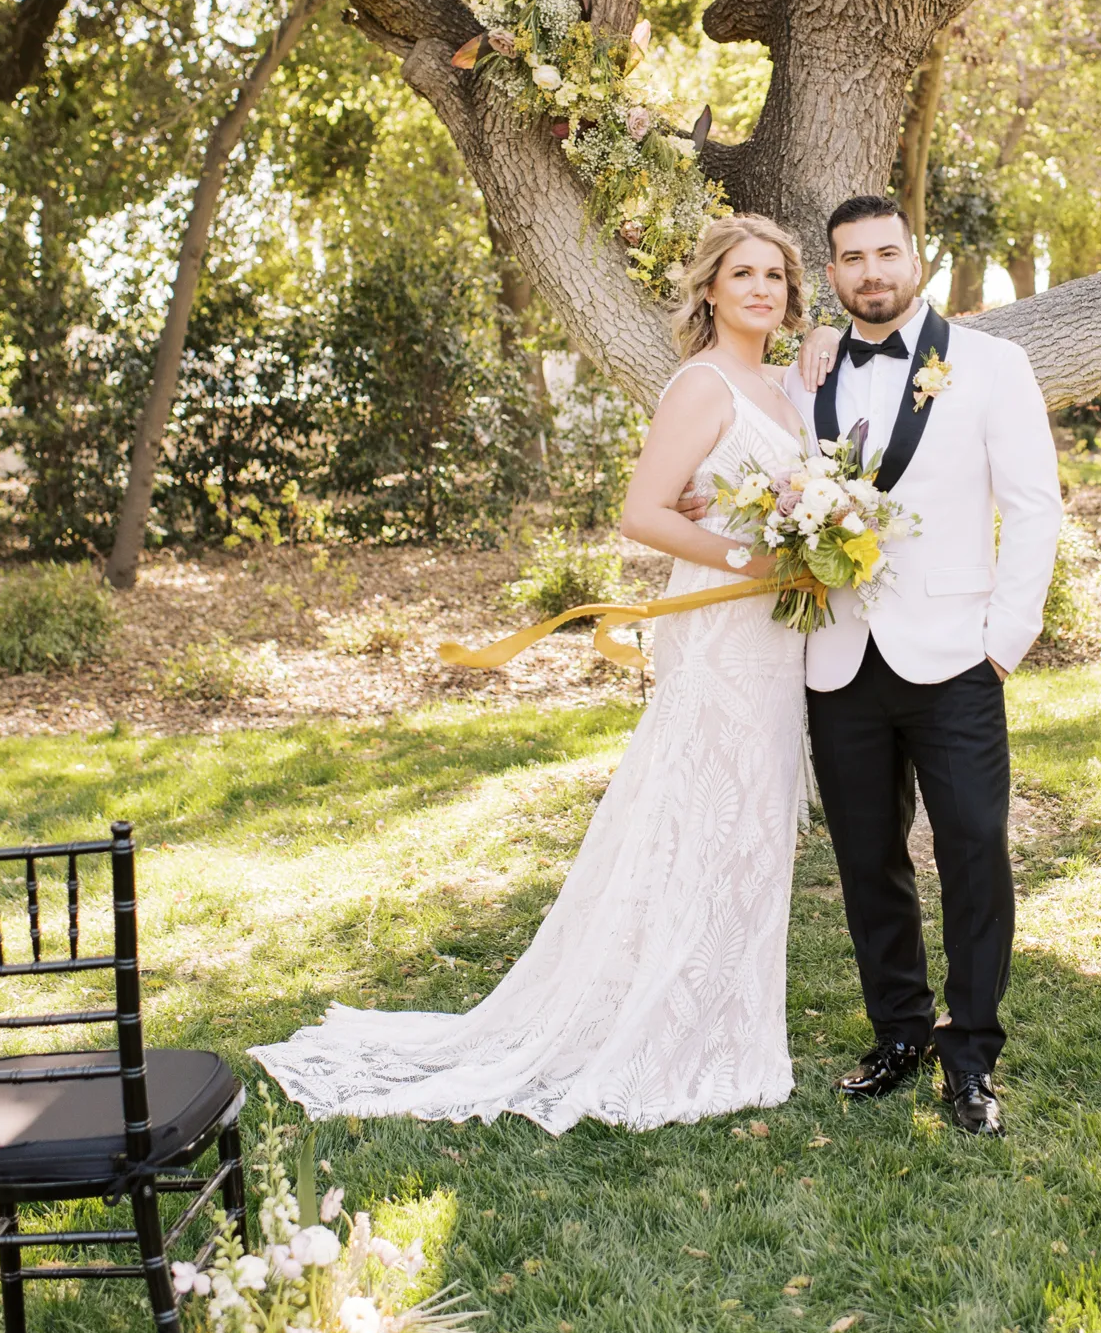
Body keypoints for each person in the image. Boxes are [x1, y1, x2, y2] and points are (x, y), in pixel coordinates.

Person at [251, 214, 813, 1135]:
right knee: (697, 819)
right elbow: (642, 513)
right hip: (719, 629)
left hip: (775, 640)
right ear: (709, 289)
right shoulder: (703, 383)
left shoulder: (782, 389)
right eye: (742, 273)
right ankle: (664, 1028)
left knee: (750, 826)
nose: (762, 289)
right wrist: (746, 557)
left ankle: (731, 1024)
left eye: (777, 277)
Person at [785, 195, 1061, 1138]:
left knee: (976, 848)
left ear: (917, 259)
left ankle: (971, 1053)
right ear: (832, 276)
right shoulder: (806, 373)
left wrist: (1003, 640)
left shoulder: (990, 364)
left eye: (886, 253)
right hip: (838, 654)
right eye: (852, 258)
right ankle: (898, 1032)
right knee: (867, 857)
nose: (872, 271)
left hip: (955, 658)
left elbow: (1034, 504)